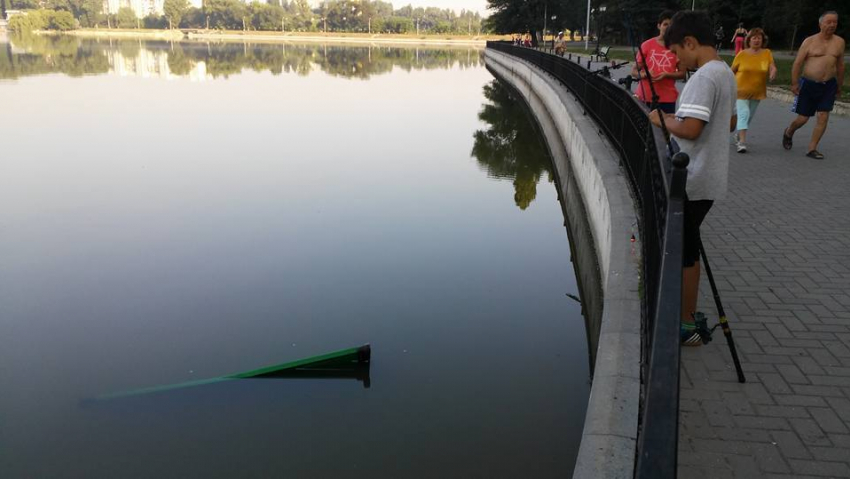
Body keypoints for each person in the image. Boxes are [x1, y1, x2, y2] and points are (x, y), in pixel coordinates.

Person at [648, 10, 737, 345]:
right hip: (709, 179)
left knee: (684, 253)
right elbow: (727, 123)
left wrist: (662, 119)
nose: (675, 59)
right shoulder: (724, 71)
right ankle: (687, 316)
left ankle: (685, 324)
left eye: (675, 52)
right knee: (689, 248)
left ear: (689, 42)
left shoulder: (703, 78)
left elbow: (691, 128)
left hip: (693, 180)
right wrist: (680, 119)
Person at [782, 11, 845, 159]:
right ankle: (789, 131)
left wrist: (839, 86)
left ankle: (812, 148)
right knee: (803, 118)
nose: (832, 25)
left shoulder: (839, 42)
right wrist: (794, 82)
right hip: (809, 84)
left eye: (835, 22)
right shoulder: (809, 41)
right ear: (820, 24)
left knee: (823, 116)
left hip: (829, 85)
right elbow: (797, 63)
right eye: (828, 22)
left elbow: (841, 65)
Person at [731, 28, 777, 153]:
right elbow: (732, 71)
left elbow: (772, 66)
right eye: (754, 38)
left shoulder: (767, 53)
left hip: (757, 91)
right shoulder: (742, 54)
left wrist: (773, 72)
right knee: (744, 113)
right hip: (741, 90)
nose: (756, 40)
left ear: (763, 40)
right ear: (749, 40)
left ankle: (738, 135)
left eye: (759, 38)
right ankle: (742, 143)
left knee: (748, 116)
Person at [631, 10, 686, 114]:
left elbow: (682, 74)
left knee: (664, 128)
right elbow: (634, 71)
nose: (668, 27)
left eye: (671, 25)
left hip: (667, 99)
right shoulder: (647, 45)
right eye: (665, 24)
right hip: (645, 96)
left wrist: (666, 75)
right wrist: (644, 74)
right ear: (659, 26)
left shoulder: (678, 47)